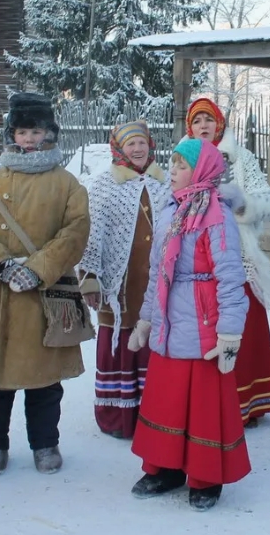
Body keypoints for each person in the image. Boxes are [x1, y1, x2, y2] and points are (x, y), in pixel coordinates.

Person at [0, 93, 90, 477]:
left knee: (45, 380)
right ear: (11, 134)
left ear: (48, 132)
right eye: (22, 131)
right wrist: (0, 265)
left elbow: (76, 230)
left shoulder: (67, 183)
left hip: (47, 294)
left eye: (35, 131)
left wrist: (38, 268)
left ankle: (45, 443)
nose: (29, 138)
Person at [129, 138, 250, 511]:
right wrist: (146, 320)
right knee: (167, 399)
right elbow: (156, 274)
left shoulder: (217, 214)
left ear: (200, 171)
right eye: (173, 164)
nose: (173, 172)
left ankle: (205, 476)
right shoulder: (170, 209)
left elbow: (231, 278)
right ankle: (165, 468)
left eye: (181, 166)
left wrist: (230, 332)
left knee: (202, 404)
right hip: (169, 322)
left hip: (203, 327)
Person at [185, 98, 270, 425]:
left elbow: (269, 201)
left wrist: (242, 205)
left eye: (208, 120)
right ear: (189, 127)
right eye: (197, 121)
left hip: (235, 254)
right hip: (196, 257)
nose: (203, 126)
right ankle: (203, 401)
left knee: (240, 324)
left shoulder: (241, 158)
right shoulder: (182, 157)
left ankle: (246, 401)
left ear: (219, 125)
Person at [77, 121, 171, 439]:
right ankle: (117, 415)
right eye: (130, 144)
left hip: (155, 280)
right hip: (119, 283)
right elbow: (91, 235)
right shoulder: (105, 184)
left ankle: (152, 411)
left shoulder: (165, 183)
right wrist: (89, 277)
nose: (138, 149)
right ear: (118, 148)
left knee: (151, 339)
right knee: (118, 340)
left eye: (142, 142)